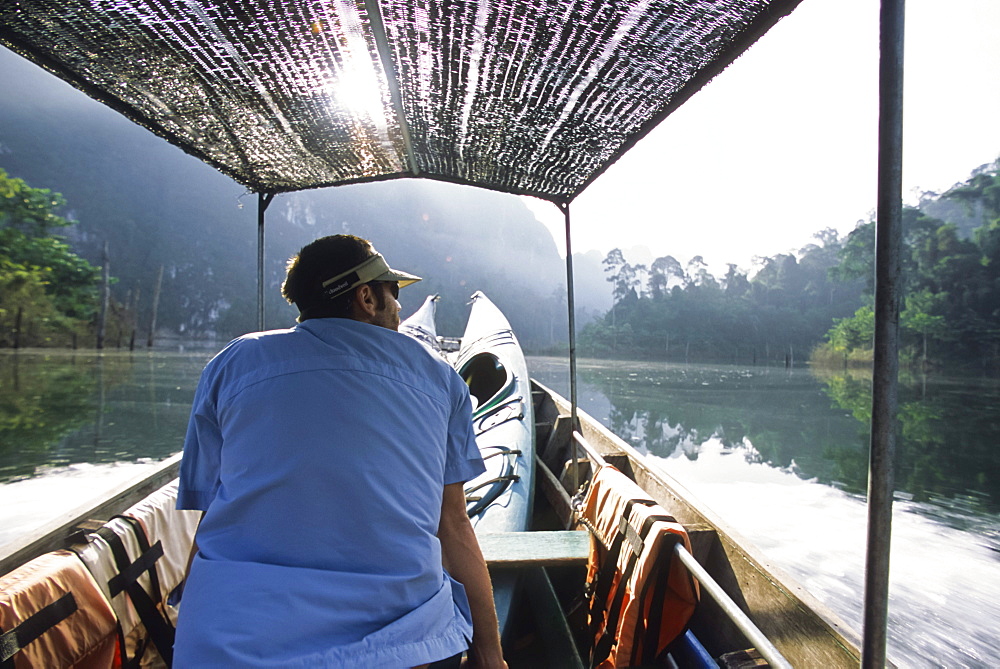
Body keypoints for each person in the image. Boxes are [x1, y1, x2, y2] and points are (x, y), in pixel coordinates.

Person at [174, 234, 506, 668]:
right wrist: (491, 657)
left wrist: (191, 625)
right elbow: (454, 525)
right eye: (393, 293)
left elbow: (210, 519)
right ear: (366, 297)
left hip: (231, 643)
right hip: (399, 644)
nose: (400, 308)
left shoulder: (231, 365)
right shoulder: (440, 379)